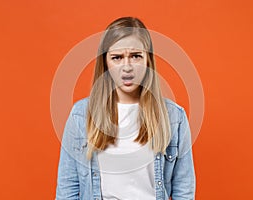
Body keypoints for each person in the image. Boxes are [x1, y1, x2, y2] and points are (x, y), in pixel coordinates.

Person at [55, 16, 195, 200]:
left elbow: (183, 190)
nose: (127, 67)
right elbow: (67, 190)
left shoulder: (174, 117)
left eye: (136, 56)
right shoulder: (81, 115)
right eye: (117, 57)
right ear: (105, 62)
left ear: (148, 61)